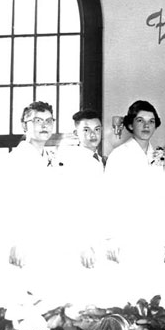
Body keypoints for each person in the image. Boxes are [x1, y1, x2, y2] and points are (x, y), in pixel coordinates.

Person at [0, 101, 64, 309]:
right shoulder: (14, 160)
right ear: (24, 125)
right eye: (38, 120)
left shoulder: (51, 159)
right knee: (21, 309)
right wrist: (15, 243)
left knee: (45, 308)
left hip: (45, 242)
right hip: (20, 244)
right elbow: (4, 208)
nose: (44, 125)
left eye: (49, 120)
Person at [103, 100, 165, 308]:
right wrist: (111, 238)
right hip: (128, 236)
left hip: (155, 236)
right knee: (130, 294)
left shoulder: (161, 156)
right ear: (131, 124)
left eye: (151, 121)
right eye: (140, 120)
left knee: (155, 294)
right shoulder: (119, 156)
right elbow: (109, 199)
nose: (146, 125)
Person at [55, 109, 106, 306]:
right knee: (80, 301)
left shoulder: (98, 160)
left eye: (97, 129)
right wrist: (83, 245)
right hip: (81, 242)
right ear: (76, 133)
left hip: (97, 239)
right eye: (86, 130)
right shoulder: (72, 161)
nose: (93, 135)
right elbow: (70, 207)